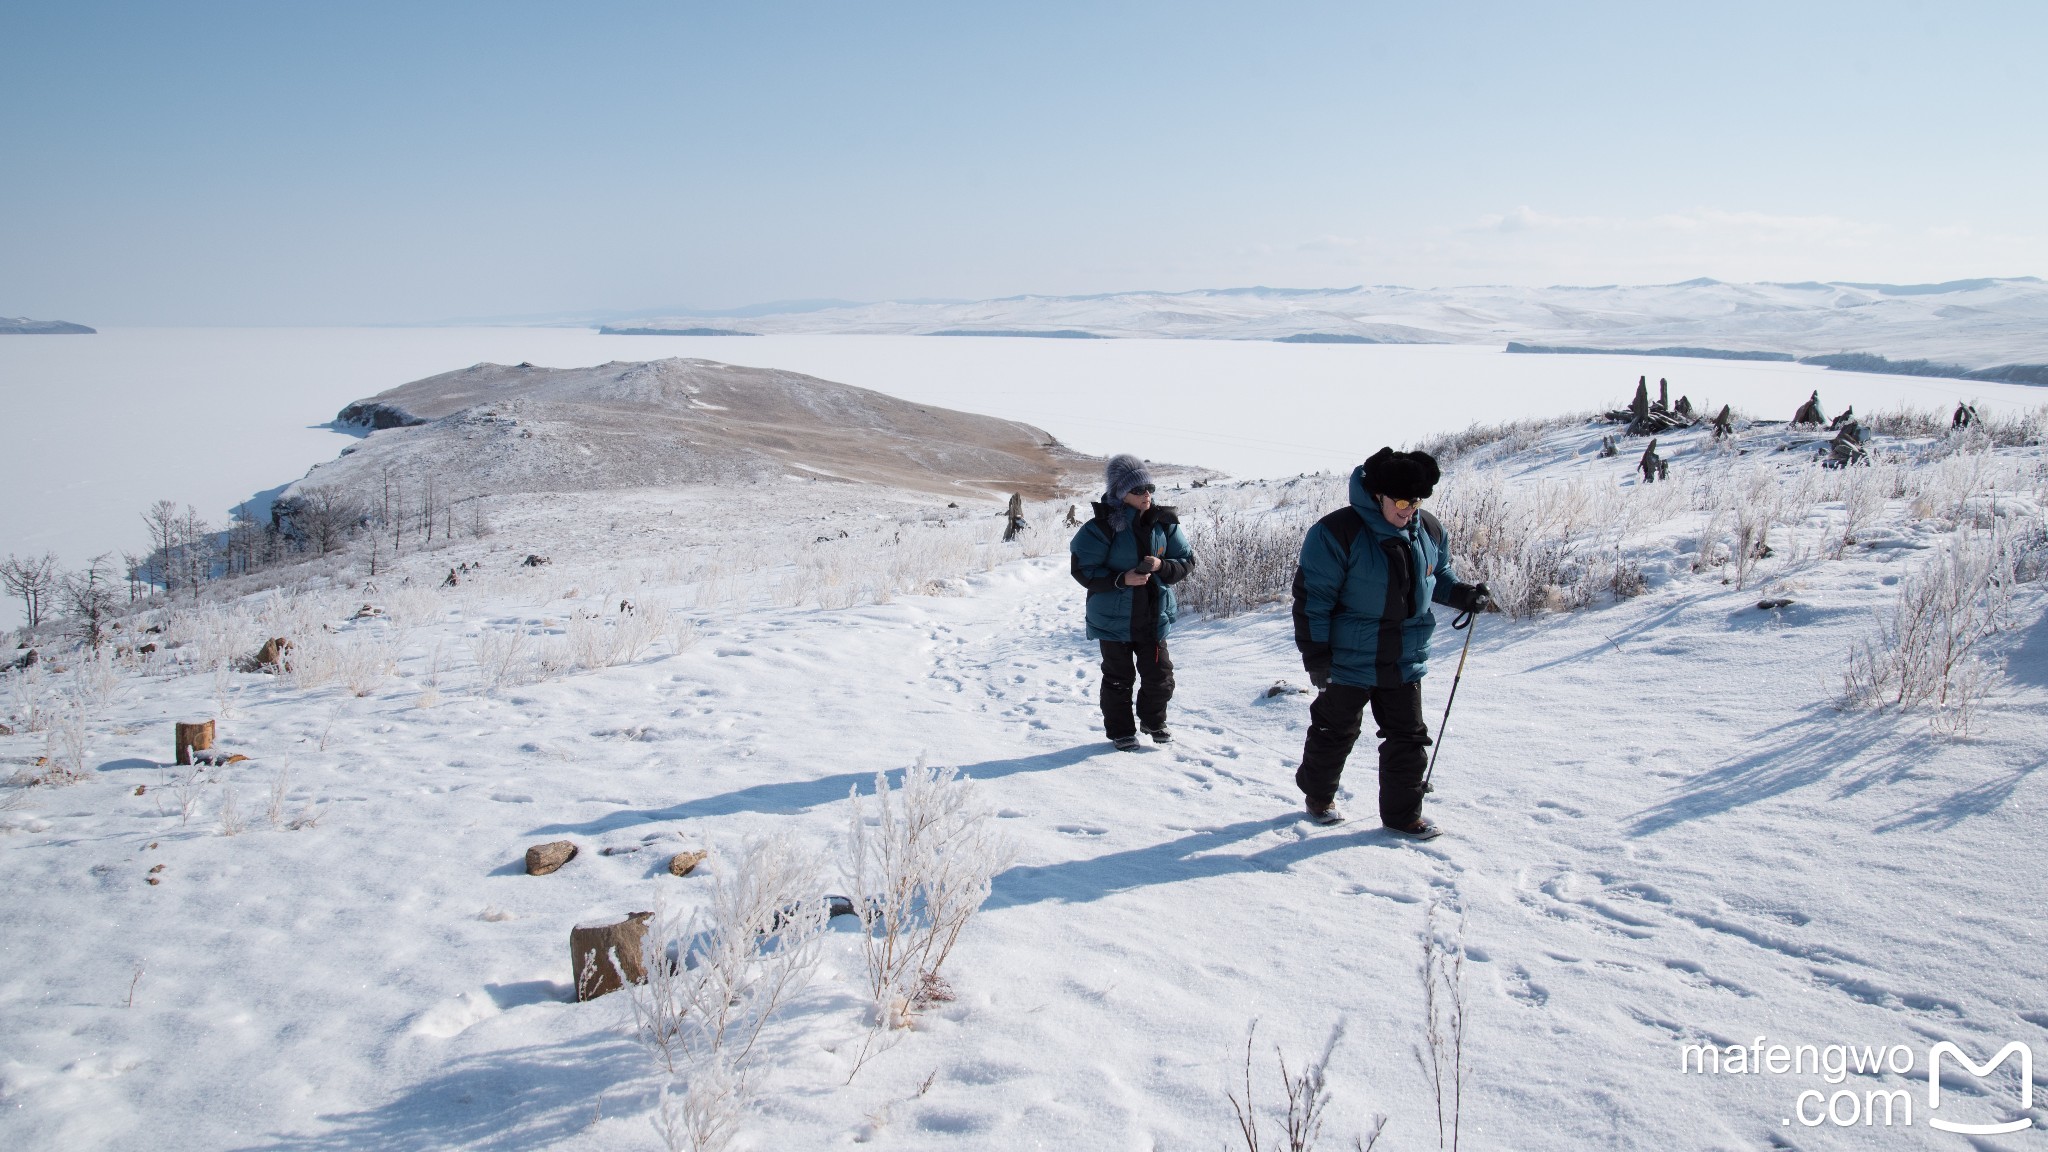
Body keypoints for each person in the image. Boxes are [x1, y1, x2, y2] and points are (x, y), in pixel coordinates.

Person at [1291, 447, 1493, 837]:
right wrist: (1316, 656)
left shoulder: (1429, 530)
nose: (1409, 510)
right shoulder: (1336, 532)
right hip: (1348, 659)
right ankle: (1317, 796)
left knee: (1409, 736)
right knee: (1336, 732)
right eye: (1401, 501)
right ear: (1377, 495)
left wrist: (1464, 595)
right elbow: (1313, 600)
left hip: (1403, 657)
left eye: (1416, 501)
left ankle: (1402, 816)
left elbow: (1438, 576)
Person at [1069, 454, 1196, 751]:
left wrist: (1160, 567)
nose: (1146, 495)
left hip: (1153, 615)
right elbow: (1082, 570)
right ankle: (1121, 731)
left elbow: (1187, 561)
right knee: (1118, 678)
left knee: (1160, 676)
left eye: (1148, 488)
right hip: (1113, 620)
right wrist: (1120, 579)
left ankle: (1152, 721)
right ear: (1119, 494)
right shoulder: (1100, 527)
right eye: (1138, 490)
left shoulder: (1164, 523)